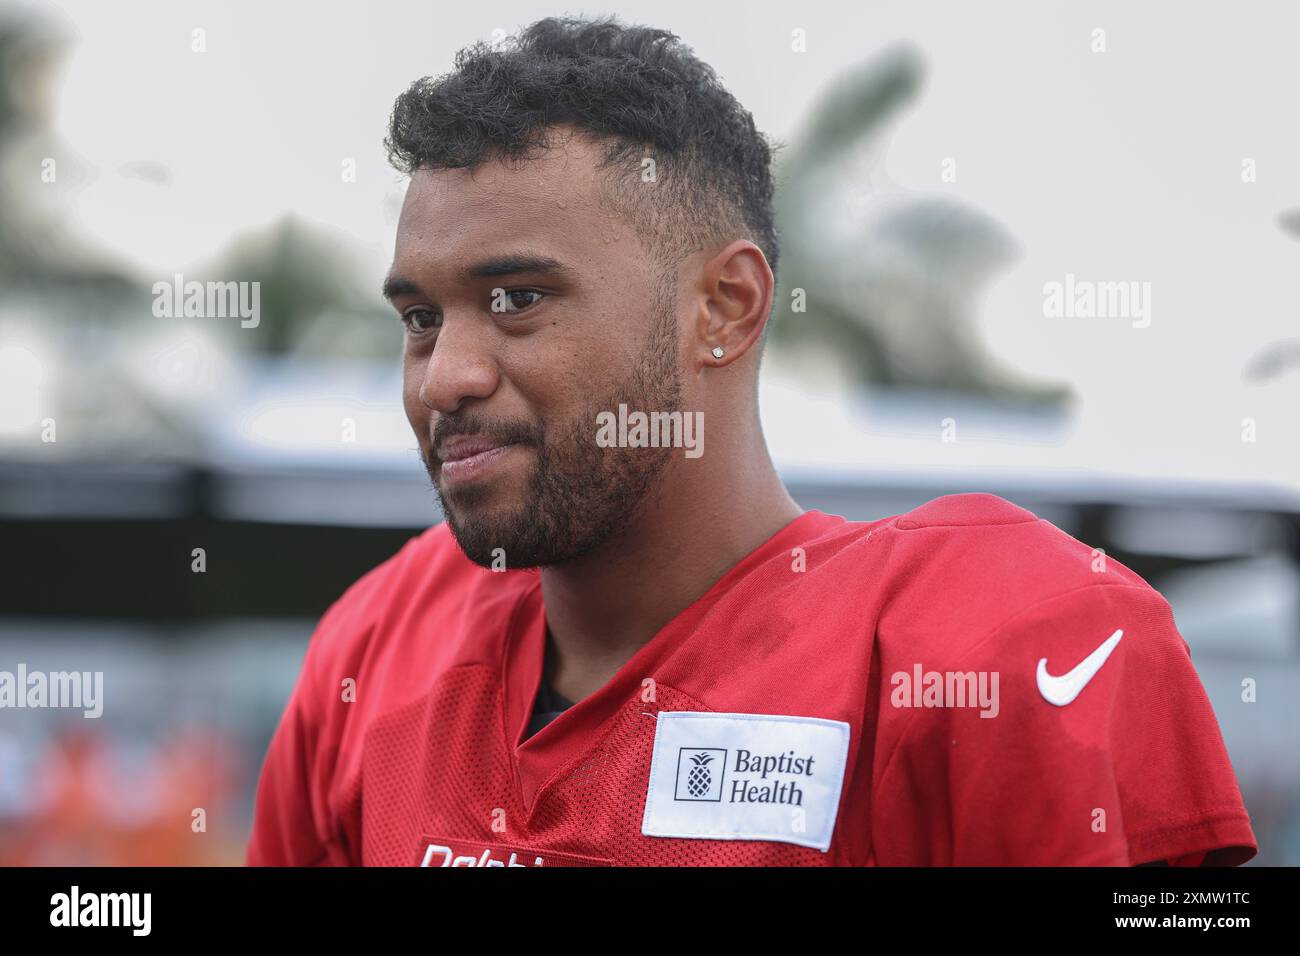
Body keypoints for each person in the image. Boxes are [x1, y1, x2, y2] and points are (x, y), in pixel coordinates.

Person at [247, 16, 1255, 866]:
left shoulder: (984, 645)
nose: (444, 374)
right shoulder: (383, 647)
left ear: (723, 305)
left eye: (517, 299)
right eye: (420, 316)